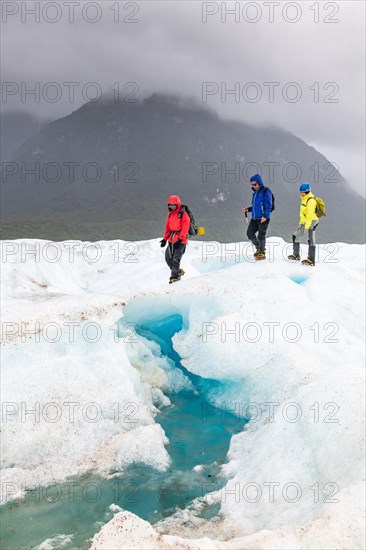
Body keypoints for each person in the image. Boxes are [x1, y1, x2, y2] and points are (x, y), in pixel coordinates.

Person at [160, 195, 190, 283]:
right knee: (168, 258)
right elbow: (167, 227)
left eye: (173, 206)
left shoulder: (183, 214)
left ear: (177, 205)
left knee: (176, 259)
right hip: (172, 240)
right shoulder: (170, 215)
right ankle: (177, 271)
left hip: (181, 240)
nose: (172, 208)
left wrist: (182, 238)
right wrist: (165, 239)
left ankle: (174, 277)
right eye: (170, 206)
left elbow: (186, 226)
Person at [243, 174, 273, 260]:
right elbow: (255, 207)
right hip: (255, 218)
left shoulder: (266, 191)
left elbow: (268, 205)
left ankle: (262, 252)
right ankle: (259, 248)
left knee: (261, 235)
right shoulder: (255, 193)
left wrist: (265, 216)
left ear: (259, 183)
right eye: (252, 184)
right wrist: (248, 209)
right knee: (249, 233)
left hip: (263, 218)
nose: (254, 186)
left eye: (255, 184)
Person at [288, 182, 319, 266]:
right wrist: (301, 223)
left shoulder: (311, 201)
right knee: (295, 235)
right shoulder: (304, 199)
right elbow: (303, 213)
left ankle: (311, 260)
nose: (301, 193)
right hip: (304, 222)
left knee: (311, 239)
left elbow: (310, 215)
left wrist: (306, 227)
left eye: (303, 192)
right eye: (300, 192)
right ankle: (296, 255)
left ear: (307, 192)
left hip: (312, 221)